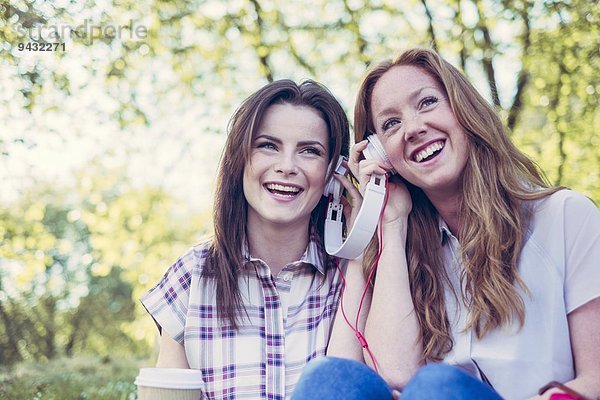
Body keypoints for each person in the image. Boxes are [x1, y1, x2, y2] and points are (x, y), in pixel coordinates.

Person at [293, 48, 600, 400]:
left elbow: (596, 380)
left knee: (437, 386)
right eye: (391, 124)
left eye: (426, 103)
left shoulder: (565, 216)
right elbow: (396, 375)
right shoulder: (405, 253)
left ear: (462, 109)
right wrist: (391, 221)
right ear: (381, 154)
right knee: (329, 377)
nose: (413, 128)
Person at [140, 79, 350, 399]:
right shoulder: (191, 276)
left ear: (334, 174)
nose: (287, 166)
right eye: (268, 145)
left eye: (310, 151)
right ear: (240, 160)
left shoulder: (351, 277)